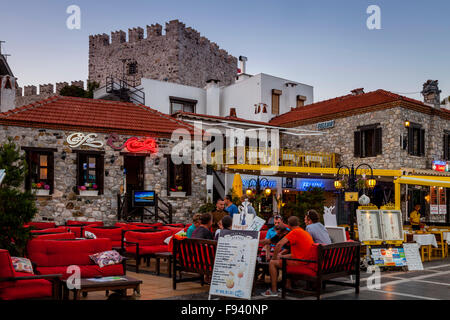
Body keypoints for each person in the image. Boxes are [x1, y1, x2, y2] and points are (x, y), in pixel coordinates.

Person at [261, 216, 314, 297]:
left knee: (272, 263)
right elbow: (297, 253)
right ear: (298, 223)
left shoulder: (294, 232)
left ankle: (273, 291)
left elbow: (279, 245)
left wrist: (274, 258)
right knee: (282, 258)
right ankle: (287, 286)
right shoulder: (303, 231)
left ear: (288, 225)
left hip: (300, 263)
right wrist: (281, 256)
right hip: (306, 260)